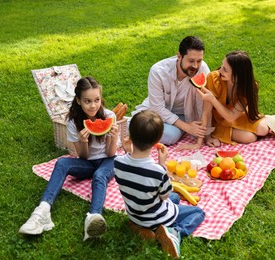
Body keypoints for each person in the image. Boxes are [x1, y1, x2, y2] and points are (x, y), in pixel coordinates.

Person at [19, 76, 119, 241]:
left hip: (108, 160)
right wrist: (83, 141)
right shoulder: (72, 121)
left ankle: (93, 218)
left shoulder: (109, 115)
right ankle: (43, 211)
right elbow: (83, 157)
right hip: (87, 162)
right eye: (87, 101)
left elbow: (110, 153)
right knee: (62, 162)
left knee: (99, 175)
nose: (93, 105)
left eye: (97, 100)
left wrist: (113, 137)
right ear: (79, 101)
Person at [114, 110, 205, 258]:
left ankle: (140, 227)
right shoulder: (157, 171)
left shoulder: (117, 162)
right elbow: (164, 196)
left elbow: (132, 169)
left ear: (130, 136)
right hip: (158, 218)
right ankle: (174, 232)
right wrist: (162, 164)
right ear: (157, 142)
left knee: (175, 198)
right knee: (198, 213)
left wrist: (126, 152)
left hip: (135, 214)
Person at [178, 51, 270, 150]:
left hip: (236, 116)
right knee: (250, 137)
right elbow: (206, 112)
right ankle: (218, 132)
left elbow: (231, 117)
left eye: (225, 69)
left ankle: (269, 120)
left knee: (263, 130)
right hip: (218, 122)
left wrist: (213, 99)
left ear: (237, 75)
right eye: (222, 66)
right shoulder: (213, 79)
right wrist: (202, 140)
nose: (220, 71)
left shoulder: (248, 86)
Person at [131, 36, 210, 146]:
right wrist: (187, 127)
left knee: (170, 136)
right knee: (155, 130)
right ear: (179, 56)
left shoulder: (203, 70)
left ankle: (138, 128)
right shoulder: (158, 71)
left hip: (184, 114)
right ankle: (134, 124)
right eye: (191, 61)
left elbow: (205, 104)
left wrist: (205, 134)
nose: (195, 66)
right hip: (156, 111)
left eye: (199, 61)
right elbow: (157, 107)